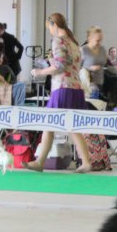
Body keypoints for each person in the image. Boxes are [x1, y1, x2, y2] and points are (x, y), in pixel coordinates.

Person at [25, 13, 91, 173]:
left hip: (62, 88)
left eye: (49, 28)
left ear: (54, 25)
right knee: (73, 127)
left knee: (48, 124)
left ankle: (40, 161)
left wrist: (39, 71)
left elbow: (59, 67)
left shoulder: (58, 40)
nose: (50, 31)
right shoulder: (74, 42)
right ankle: (86, 162)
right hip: (76, 89)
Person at [81, 26, 107, 99]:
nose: (100, 43)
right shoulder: (83, 50)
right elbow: (76, 67)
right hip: (87, 87)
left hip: (99, 84)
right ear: (90, 39)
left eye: (101, 40)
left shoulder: (102, 49)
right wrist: (90, 68)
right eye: (97, 40)